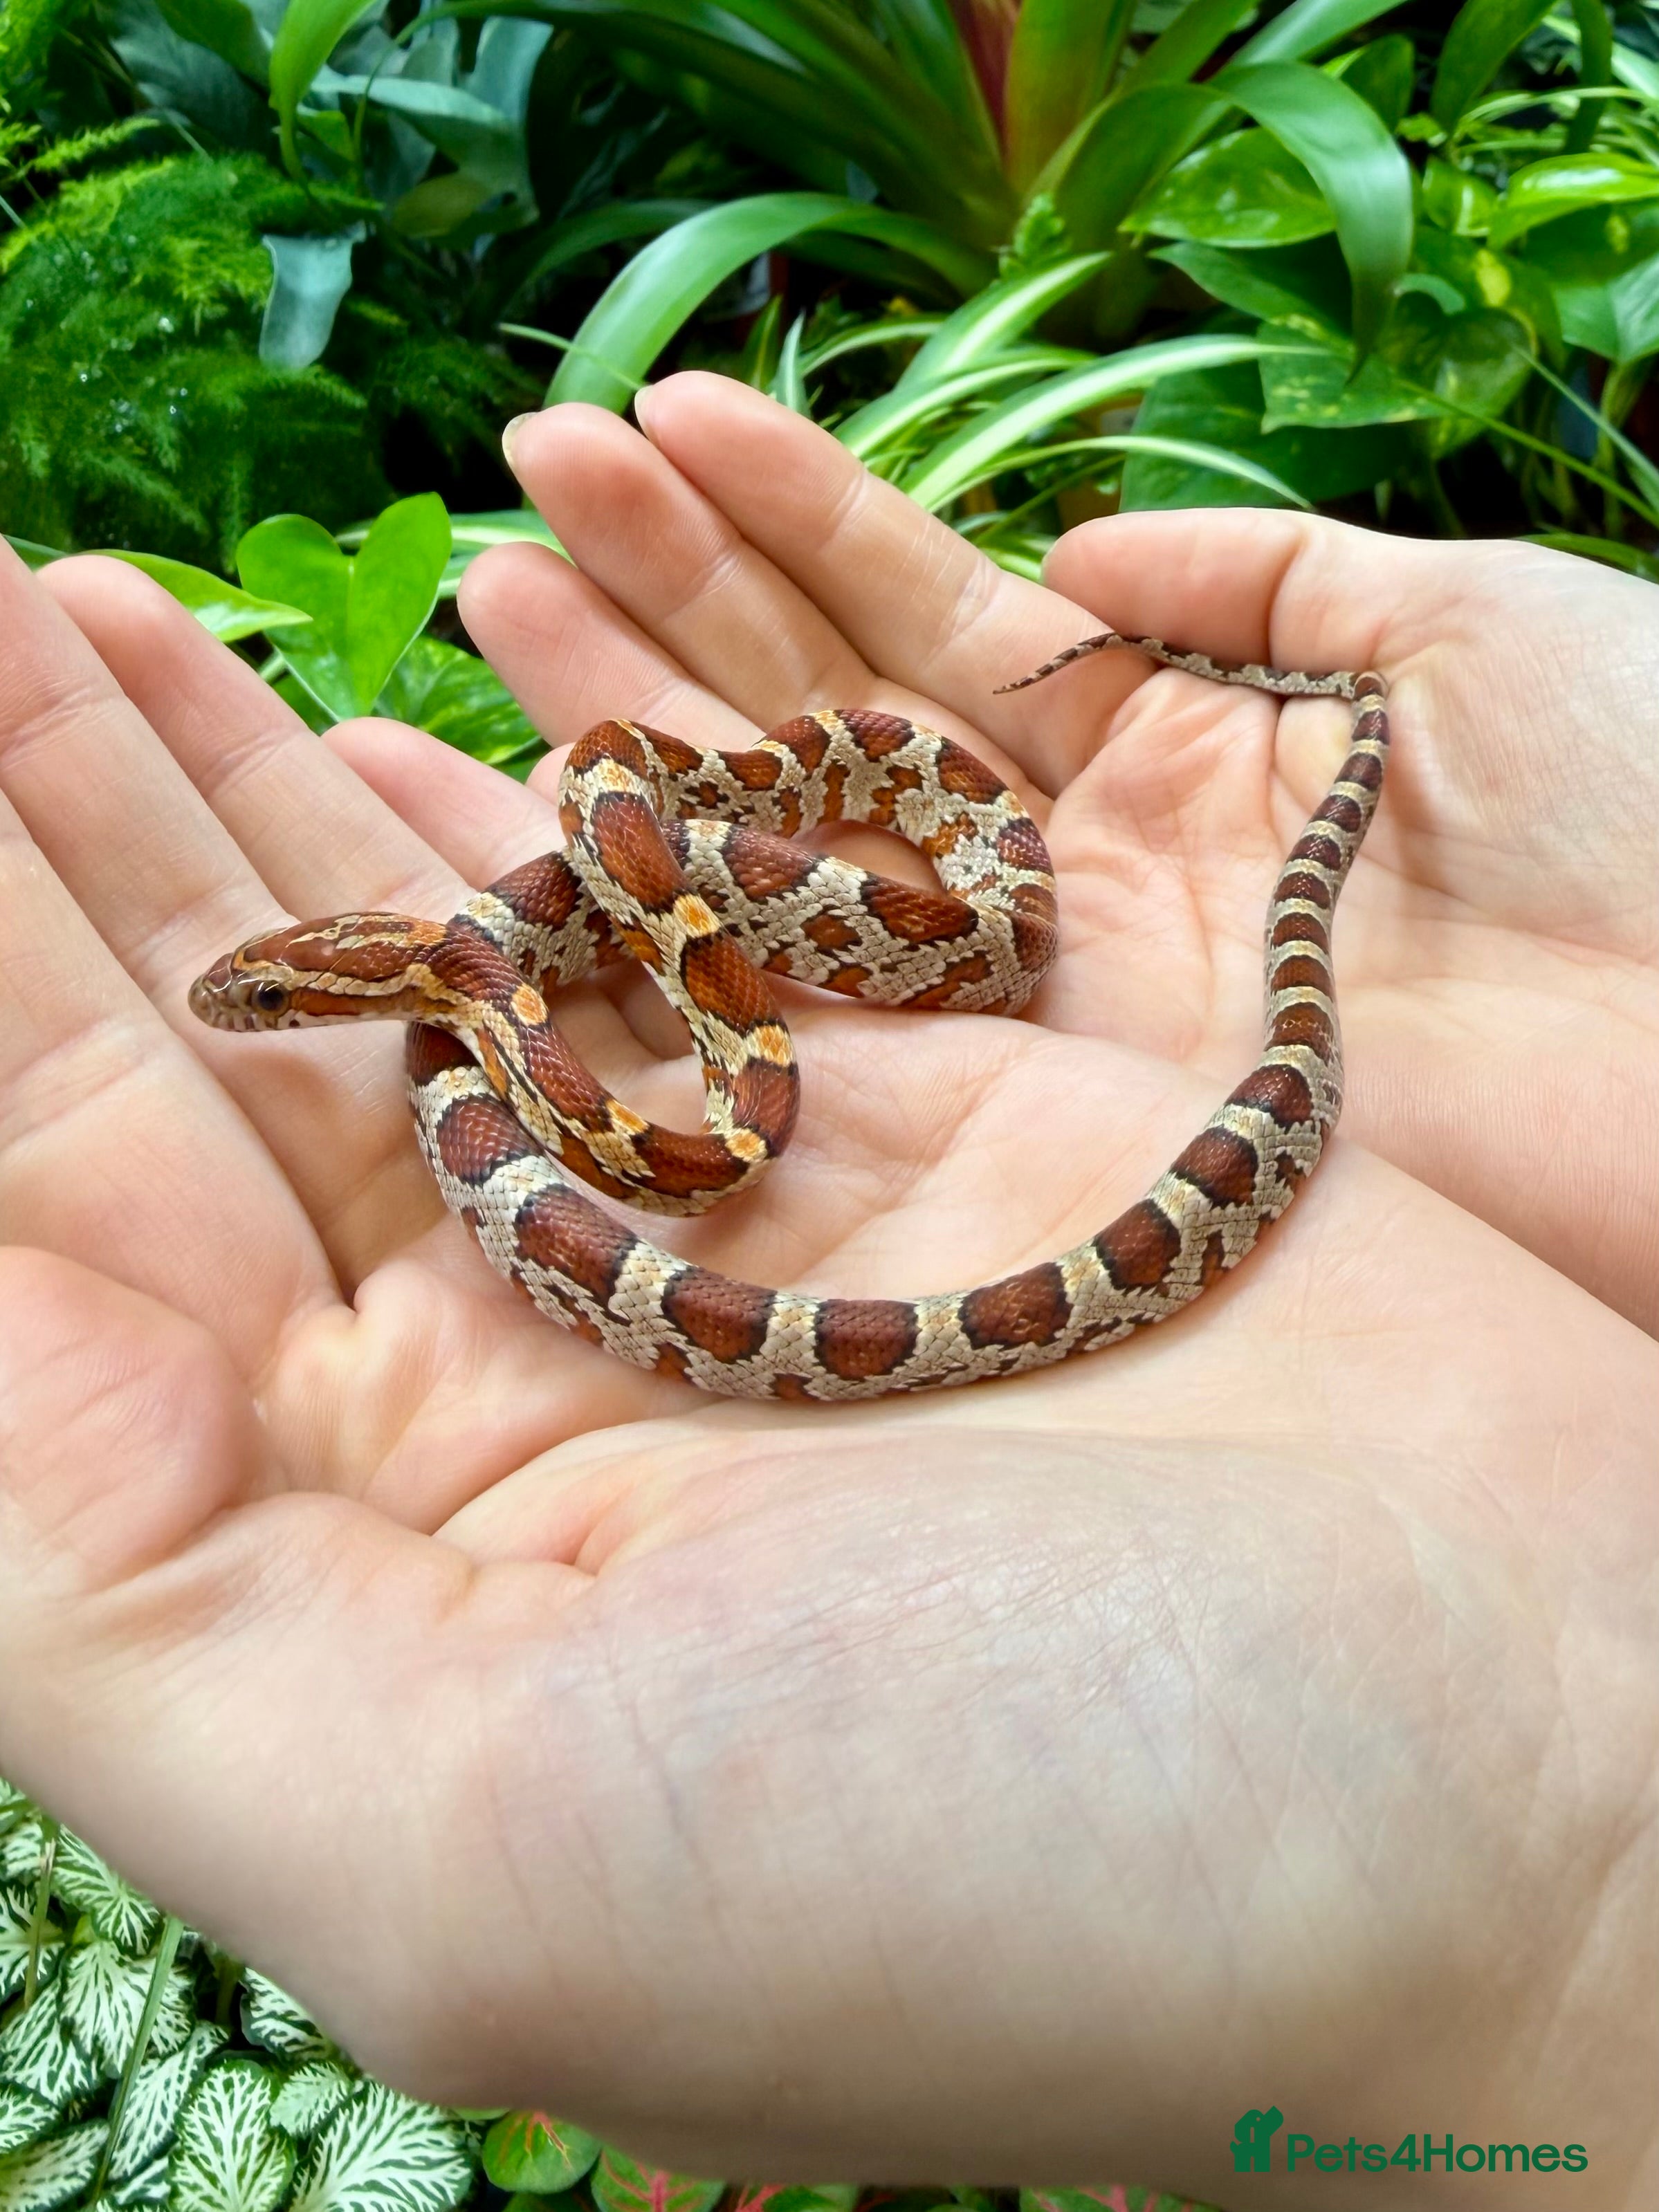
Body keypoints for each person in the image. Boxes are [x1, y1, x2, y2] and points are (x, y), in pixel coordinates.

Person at [0, 374, 1652, 2209]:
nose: (257, 1019)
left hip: (725, 943)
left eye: (271, 1002)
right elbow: (576, 951)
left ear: (345, 991)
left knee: (686, 1045)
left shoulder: (619, 1065)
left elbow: (713, 1082)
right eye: (265, 1004)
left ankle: (1247, 939)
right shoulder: (494, 1003)